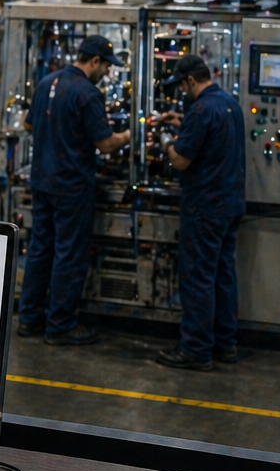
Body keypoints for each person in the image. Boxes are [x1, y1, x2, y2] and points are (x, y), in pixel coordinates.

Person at [16, 34, 132, 345]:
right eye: (106, 66)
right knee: (68, 255)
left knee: (40, 250)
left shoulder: (47, 82)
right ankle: (62, 325)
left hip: (42, 181)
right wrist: (130, 134)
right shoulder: (87, 93)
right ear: (94, 61)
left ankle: (29, 318)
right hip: (71, 187)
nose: (106, 73)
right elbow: (105, 143)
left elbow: (28, 125)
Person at [152, 53, 246, 370]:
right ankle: (225, 344)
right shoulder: (229, 104)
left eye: (181, 85)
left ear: (191, 80)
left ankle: (195, 349)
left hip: (205, 206)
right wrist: (182, 120)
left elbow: (180, 160)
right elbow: (211, 133)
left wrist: (166, 141)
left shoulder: (201, 109)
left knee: (198, 278)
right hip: (230, 204)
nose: (181, 91)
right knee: (222, 274)